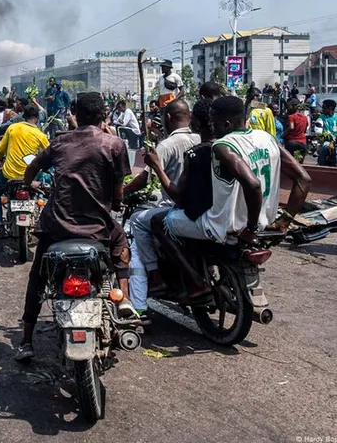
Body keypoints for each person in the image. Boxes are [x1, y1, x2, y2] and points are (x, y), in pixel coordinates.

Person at [15, 93, 134, 362]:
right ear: (104, 115)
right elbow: (117, 195)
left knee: (38, 276)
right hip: (97, 228)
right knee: (120, 244)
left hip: (56, 225)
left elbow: (33, 166)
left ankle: (25, 340)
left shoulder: (59, 142)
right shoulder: (114, 144)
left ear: (75, 116)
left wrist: (26, 184)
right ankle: (124, 298)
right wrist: (114, 202)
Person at [159, 96, 310, 277]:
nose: (212, 128)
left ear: (227, 124)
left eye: (214, 123)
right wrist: (285, 221)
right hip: (266, 224)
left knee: (164, 222)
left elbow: (253, 184)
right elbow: (304, 178)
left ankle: (194, 283)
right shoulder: (267, 138)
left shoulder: (223, 146)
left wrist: (250, 229)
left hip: (227, 226)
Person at [124, 100, 200, 315]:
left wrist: (122, 192)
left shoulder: (167, 145)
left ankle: (155, 275)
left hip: (177, 205)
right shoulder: (201, 138)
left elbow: (145, 180)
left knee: (139, 220)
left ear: (168, 118)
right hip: (202, 206)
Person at [0, 105, 49, 238]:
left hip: (9, 174)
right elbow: (49, 153)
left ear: (23, 116)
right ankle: (39, 220)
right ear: (37, 118)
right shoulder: (40, 134)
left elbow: (1, 149)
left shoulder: (12, 128)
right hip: (30, 175)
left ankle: (0, 225)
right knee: (42, 192)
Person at [315, 99, 337, 166]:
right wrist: (320, 134)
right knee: (324, 149)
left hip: (336, 143)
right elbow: (318, 130)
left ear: (330, 108)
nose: (322, 110)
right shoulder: (321, 117)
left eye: (324, 108)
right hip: (326, 142)